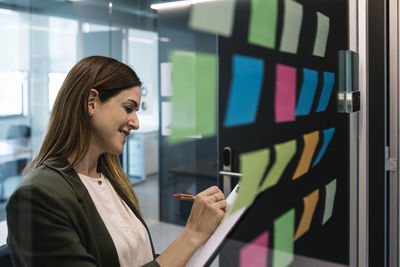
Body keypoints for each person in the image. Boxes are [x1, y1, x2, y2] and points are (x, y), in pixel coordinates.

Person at [6, 56, 227, 267]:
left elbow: (137, 258)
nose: (136, 123)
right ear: (91, 102)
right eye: (128, 108)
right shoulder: (36, 198)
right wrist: (192, 234)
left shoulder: (110, 179)